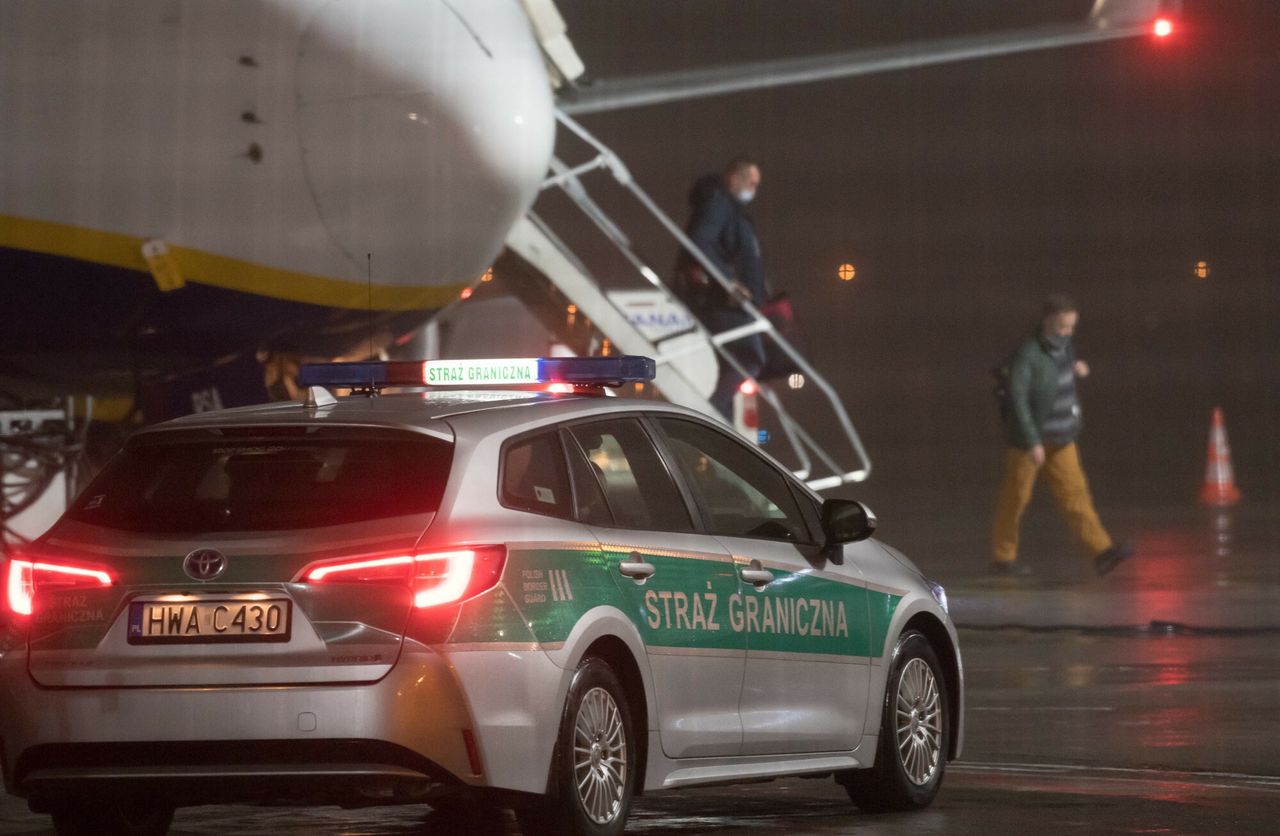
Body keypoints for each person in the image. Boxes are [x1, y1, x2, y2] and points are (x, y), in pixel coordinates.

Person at [991, 294, 1135, 577]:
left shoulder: (1064, 346)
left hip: (1062, 437)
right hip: (1030, 442)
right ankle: (1002, 557)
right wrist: (1032, 441)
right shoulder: (1028, 355)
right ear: (1047, 322)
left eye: (1071, 327)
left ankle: (1102, 551)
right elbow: (1018, 398)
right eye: (1062, 327)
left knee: (1076, 495)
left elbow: (1059, 365)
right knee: (1016, 498)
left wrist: (1075, 366)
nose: (1067, 333)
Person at [674, 157, 768, 419]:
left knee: (735, 367)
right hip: (721, 300)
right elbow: (700, 242)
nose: (753, 189)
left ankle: (720, 419)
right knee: (749, 358)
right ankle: (709, 416)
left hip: (734, 301)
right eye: (750, 182)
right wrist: (727, 280)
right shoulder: (719, 204)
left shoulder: (733, 211)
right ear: (733, 178)